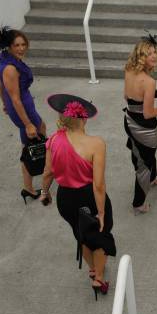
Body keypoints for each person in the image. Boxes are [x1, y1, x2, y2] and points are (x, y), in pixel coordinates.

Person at [39, 94, 116, 300]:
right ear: (84, 119)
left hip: (66, 199)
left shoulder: (53, 140)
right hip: (88, 196)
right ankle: (98, 278)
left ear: (63, 118)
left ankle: (91, 268)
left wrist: (44, 193)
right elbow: (98, 185)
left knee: (80, 233)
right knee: (99, 235)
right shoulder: (96, 144)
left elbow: (48, 172)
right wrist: (100, 212)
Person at [123, 33, 157, 215]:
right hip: (144, 128)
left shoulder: (128, 69)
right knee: (143, 164)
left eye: (154, 52)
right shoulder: (149, 82)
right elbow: (148, 113)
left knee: (141, 154)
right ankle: (139, 203)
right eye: (149, 53)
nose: (154, 56)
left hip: (129, 119)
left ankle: (152, 178)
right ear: (141, 57)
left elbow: (125, 96)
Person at [0, 27, 47, 203]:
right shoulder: (10, 68)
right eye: (17, 45)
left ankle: (43, 168)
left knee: (37, 135)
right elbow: (16, 99)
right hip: (22, 106)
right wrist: (27, 123)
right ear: (9, 46)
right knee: (31, 143)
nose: (21, 48)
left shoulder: (4, 58)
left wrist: (4, 103)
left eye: (24, 44)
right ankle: (30, 187)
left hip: (18, 105)